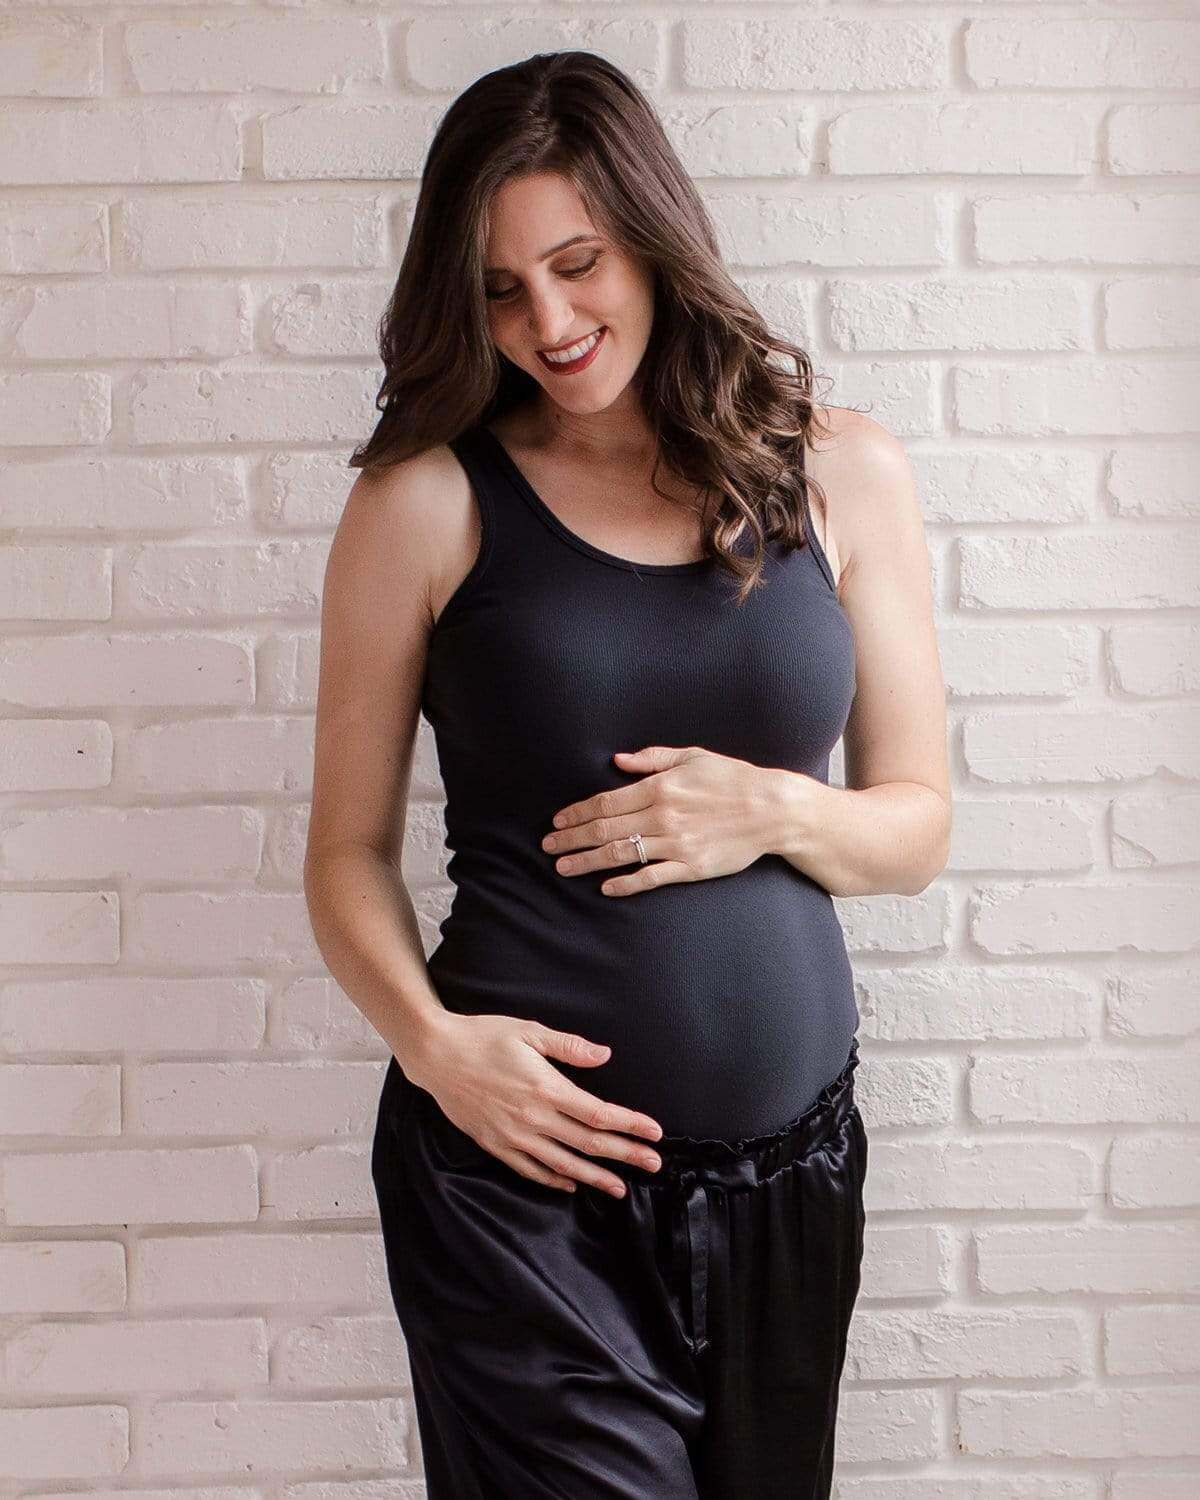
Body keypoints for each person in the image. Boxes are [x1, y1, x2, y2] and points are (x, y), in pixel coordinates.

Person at [304, 50, 950, 1500]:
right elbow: (344, 850)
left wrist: (771, 806)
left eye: (578, 264)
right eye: (496, 288)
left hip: (795, 1173)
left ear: (653, 237)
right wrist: (432, 1043)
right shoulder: (423, 500)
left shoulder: (843, 473)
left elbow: (915, 830)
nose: (547, 320)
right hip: (523, 1193)